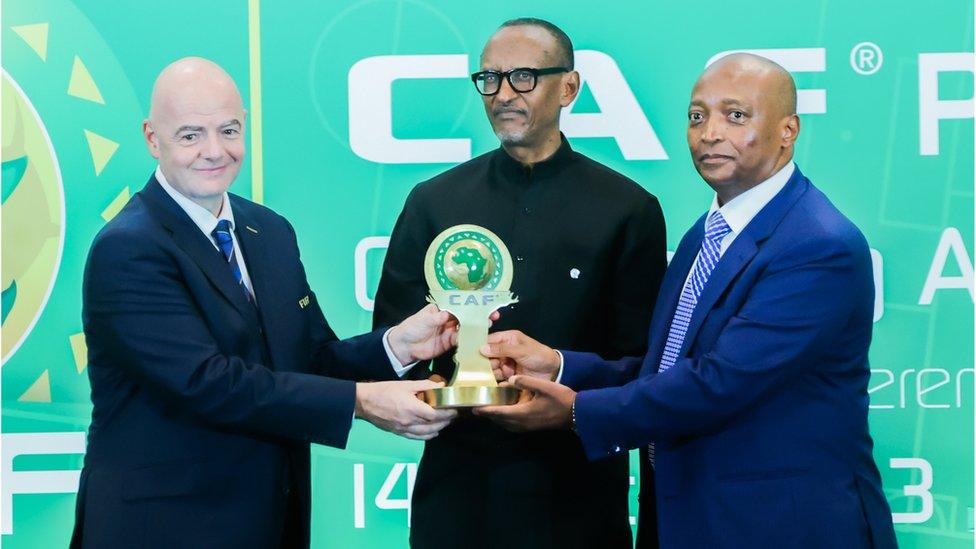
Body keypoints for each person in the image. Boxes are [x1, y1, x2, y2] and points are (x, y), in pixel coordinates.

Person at [478, 53, 898, 548]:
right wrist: (559, 366)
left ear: (789, 129)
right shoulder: (709, 232)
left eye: (735, 115)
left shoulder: (817, 244)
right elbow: (669, 368)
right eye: (697, 116)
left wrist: (576, 411)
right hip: (690, 519)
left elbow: (719, 383)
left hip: (780, 527)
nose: (710, 132)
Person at [71, 57, 458, 549]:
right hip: (166, 527)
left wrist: (398, 346)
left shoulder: (269, 231)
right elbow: (207, 384)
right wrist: (360, 402)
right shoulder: (129, 247)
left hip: (271, 523)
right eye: (191, 135)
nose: (215, 151)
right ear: (152, 137)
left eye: (228, 130)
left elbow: (310, 359)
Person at [372, 17, 667, 549]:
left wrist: (562, 386)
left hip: (576, 496)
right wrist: (431, 385)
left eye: (524, 77)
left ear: (569, 87)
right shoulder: (433, 201)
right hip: (459, 494)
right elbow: (392, 343)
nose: (503, 94)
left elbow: (644, 368)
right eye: (490, 78)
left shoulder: (628, 210)